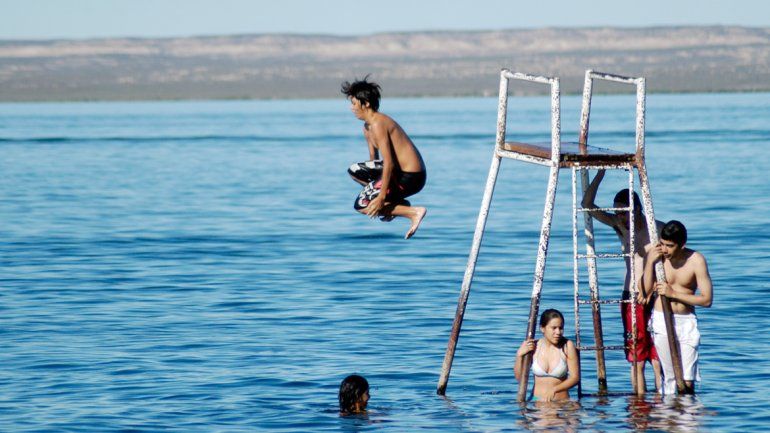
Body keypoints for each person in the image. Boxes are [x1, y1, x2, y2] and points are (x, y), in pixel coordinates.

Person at [582, 170, 663, 393]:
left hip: (657, 295)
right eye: (617, 213)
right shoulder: (621, 228)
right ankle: (639, 405)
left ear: (637, 208)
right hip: (632, 294)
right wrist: (600, 174)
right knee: (636, 357)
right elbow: (587, 204)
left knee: (657, 356)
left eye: (624, 212)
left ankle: (662, 400)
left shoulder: (658, 229)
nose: (621, 217)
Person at [342, 76, 427, 239]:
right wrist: (380, 196)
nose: (351, 108)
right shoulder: (367, 127)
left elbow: (388, 163)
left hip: (411, 177)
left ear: (366, 103)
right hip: (399, 173)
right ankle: (398, 204)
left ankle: (414, 212)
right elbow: (374, 163)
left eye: (354, 103)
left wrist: (380, 198)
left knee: (361, 205)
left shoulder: (378, 124)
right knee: (355, 171)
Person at [640, 220, 713, 396]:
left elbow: (707, 300)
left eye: (670, 246)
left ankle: (687, 418)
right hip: (661, 319)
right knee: (669, 377)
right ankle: (668, 418)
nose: (665, 250)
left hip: (686, 321)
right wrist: (650, 262)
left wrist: (673, 293)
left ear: (682, 245)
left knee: (688, 380)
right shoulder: (657, 257)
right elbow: (644, 291)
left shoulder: (696, 260)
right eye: (663, 244)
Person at [514, 309, 580, 402]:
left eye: (560, 328)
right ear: (542, 328)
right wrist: (519, 355)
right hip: (536, 401)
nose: (558, 332)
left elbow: (575, 378)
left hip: (562, 404)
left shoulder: (567, 346)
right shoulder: (534, 346)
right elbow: (520, 379)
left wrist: (554, 389)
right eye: (554, 328)